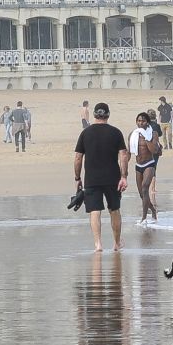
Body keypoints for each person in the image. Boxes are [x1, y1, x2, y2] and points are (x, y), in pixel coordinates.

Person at [73, 103, 130, 252]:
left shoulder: (86, 133)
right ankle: (117, 243)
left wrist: (77, 178)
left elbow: (78, 157)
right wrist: (124, 176)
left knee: (95, 211)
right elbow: (123, 155)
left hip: (92, 178)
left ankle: (98, 244)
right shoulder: (116, 132)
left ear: (94, 115)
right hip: (113, 178)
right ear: (108, 115)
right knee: (114, 209)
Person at [128, 112, 163, 226]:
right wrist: (123, 169)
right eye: (138, 121)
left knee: (144, 188)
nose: (140, 123)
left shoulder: (153, 133)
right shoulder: (133, 134)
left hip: (149, 164)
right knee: (142, 194)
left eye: (143, 121)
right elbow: (128, 152)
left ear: (147, 122)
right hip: (138, 166)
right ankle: (153, 210)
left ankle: (143, 218)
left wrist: (147, 138)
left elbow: (154, 150)